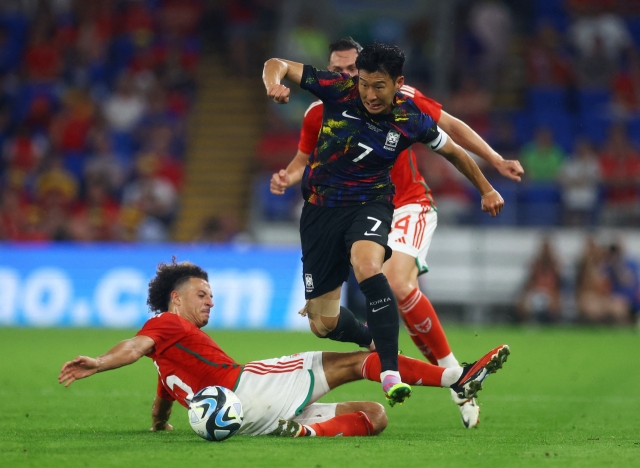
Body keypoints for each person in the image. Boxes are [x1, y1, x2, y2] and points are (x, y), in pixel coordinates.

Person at [269, 38, 522, 426]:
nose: (350, 80)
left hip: (403, 202)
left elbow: (451, 133)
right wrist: (289, 175)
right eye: (340, 72)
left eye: (352, 71)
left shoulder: (408, 104)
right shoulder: (325, 105)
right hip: (325, 210)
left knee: (390, 279)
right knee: (323, 323)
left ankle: (415, 369)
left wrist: (494, 165)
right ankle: (446, 373)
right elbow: (304, 158)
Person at [58, 259, 511, 437]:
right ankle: (456, 376)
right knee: (359, 361)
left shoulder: (167, 354)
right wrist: (99, 362)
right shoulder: (164, 323)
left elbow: (161, 395)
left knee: (375, 415)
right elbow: (135, 346)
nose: (209, 301)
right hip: (249, 387)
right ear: (176, 298)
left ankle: (306, 432)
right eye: (202, 294)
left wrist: (159, 426)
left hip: (249, 421)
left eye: (212, 296)